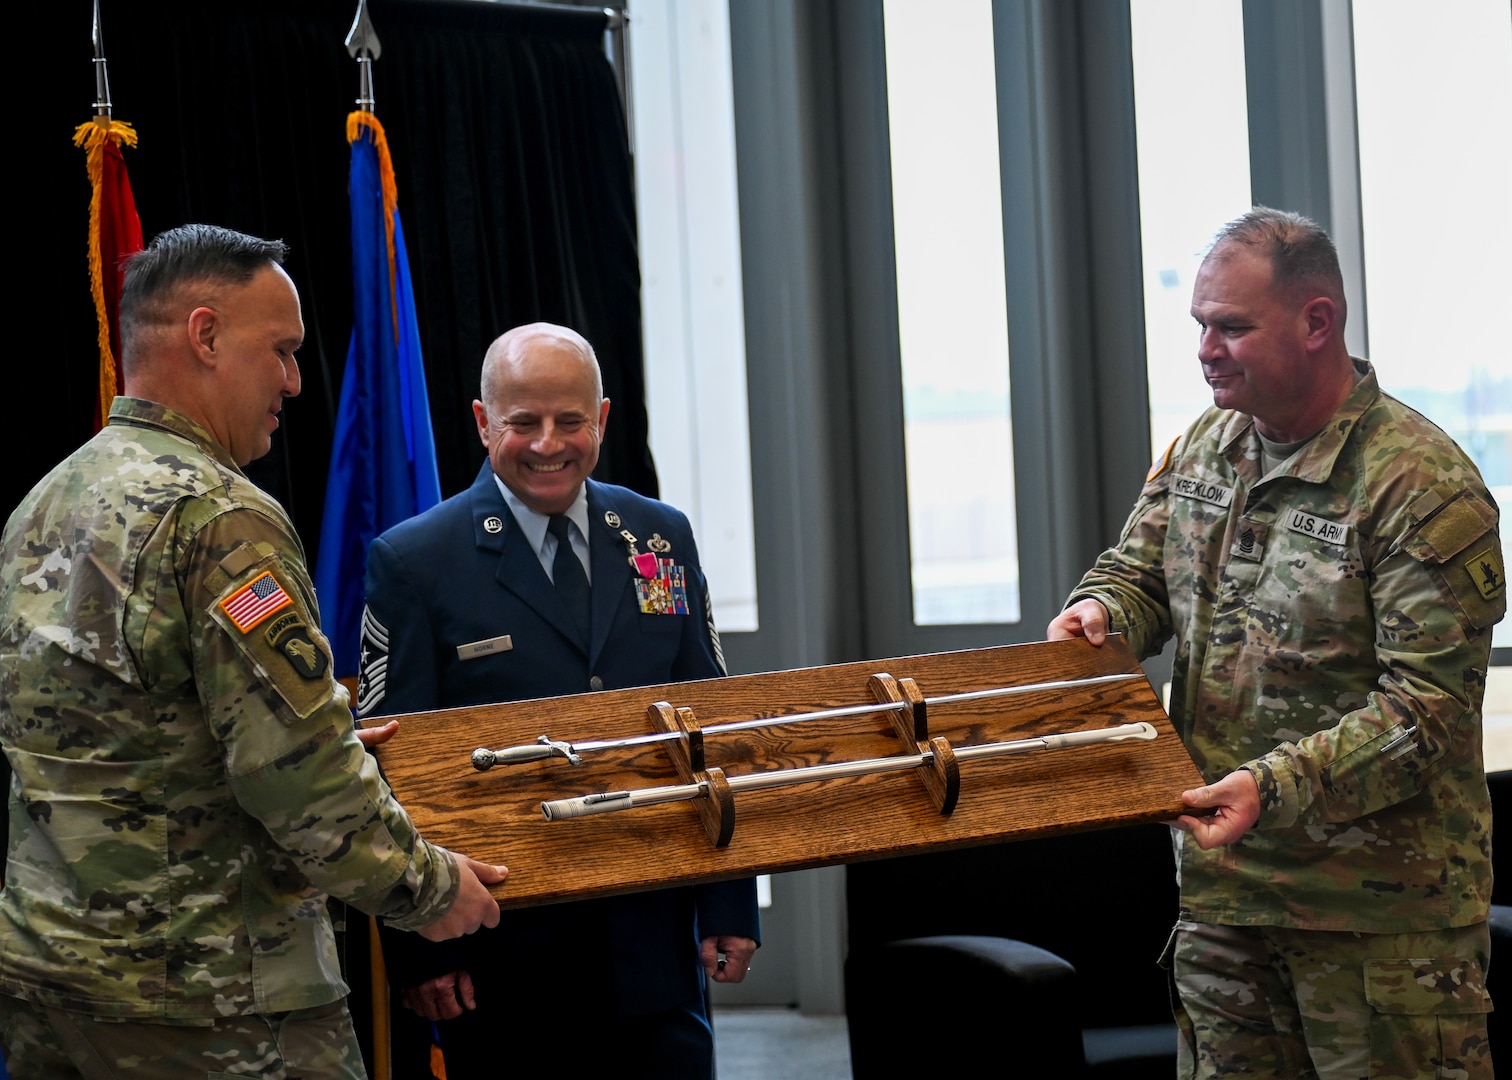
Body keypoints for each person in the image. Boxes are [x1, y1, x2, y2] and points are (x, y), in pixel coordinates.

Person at [0, 224, 507, 1079]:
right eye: (281, 350)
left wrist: (323, 724)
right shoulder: (218, 516)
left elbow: (115, 726)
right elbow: (292, 778)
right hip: (210, 1000)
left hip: (53, 981)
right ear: (205, 335)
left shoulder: (45, 502)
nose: (296, 382)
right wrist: (427, 890)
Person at [1049, 207, 1504, 1079]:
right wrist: (1101, 614)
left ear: (1317, 322)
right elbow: (1140, 575)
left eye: (1232, 327)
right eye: (1200, 327)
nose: (1206, 349)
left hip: (1378, 922)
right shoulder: (1205, 451)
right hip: (1224, 904)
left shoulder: (1419, 483)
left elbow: (1429, 710)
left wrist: (1272, 786)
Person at [357, 322, 760, 1078]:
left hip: (654, 942)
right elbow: (392, 771)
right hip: (503, 958)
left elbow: (711, 723)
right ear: (484, 424)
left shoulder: (659, 537)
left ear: (602, 419)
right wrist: (418, 949)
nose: (549, 443)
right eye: (524, 422)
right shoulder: (415, 562)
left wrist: (728, 903)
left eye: (570, 420)